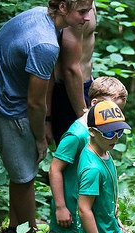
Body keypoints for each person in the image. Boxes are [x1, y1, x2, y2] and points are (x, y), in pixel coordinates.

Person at [0, 0, 93, 233]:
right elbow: (35, 102)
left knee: (22, 172)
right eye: (81, 12)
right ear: (62, 8)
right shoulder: (46, 45)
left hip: (3, 93)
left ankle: (14, 230)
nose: (87, 18)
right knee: (24, 177)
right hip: (9, 108)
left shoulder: (38, 15)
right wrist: (40, 137)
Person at [49, 77, 127, 233]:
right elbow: (55, 168)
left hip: (91, 209)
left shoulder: (102, 141)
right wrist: (61, 207)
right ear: (94, 103)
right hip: (73, 213)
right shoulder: (78, 135)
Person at [77, 99, 130, 233]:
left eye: (118, 132)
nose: (115, 138)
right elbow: (84, 209)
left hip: (108, 228)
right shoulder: (92, 168)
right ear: (91, 131)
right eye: (109, 133)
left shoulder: (102, 153)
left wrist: (112, 206)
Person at [49, 0, 98, 145]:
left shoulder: (88, 4)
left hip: (86, 85)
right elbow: (70, 68)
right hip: (70, 92)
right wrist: (83, 116)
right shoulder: (75, 9)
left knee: (92, 154)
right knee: (75, 154)